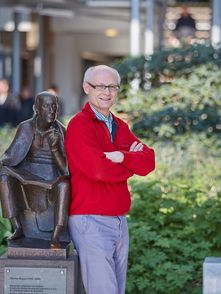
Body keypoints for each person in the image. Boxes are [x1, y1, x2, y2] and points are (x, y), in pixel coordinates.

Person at [65, 65, 155, 294]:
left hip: (118, 220)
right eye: (101, 86)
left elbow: (148, 161)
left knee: (116, 289)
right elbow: (98, 171)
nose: (107, 92)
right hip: (90, 220)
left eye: (112, 87)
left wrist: (121, 156)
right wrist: (130, 166)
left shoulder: (118, 125)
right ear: (87, 87)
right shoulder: (80, 125)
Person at [0, 91, 70, 248]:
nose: (51, 110)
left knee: (65, 186)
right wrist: (0, 163)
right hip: (27, 177)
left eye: (54, 106)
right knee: (4, 178)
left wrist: (54, 148)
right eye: (46, 106)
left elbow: (67, 170)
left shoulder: (61, 131)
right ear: (36, 108)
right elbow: (11, 155)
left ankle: (56, 235)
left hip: (52, 180)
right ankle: (18, 227)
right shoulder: (25, 127)